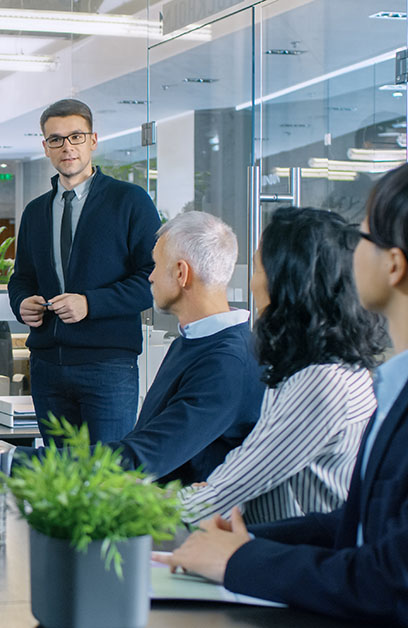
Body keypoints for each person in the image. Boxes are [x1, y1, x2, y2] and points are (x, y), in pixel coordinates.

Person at [156, 164, 408, 625]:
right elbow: (353, 522)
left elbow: (387, 575)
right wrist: (247, 541)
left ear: (393, 264)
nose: (351, 254)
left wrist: (237, 556)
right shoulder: (366, 378)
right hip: (303, 576)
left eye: (365, 239)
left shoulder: (324, 382)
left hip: (313, 596)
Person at [179, 207, 385, 525]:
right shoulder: (318, 369)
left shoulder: (320, 383)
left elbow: (225, 492)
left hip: (293, 559)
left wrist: (119, 508)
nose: (251, 283)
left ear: (288, 284)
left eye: (259, 267)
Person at [8, 98, 161, 444]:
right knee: (60, 482)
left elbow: (152, 278)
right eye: (56, 139)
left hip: (108, 367)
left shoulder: (130, 201)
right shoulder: (35, 212)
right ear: (45, 147)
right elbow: (22, 277)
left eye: (76, 136)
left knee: (109, 476)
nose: (67, 147)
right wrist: (21, 302)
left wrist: (90, 303)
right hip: (48, 366)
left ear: (93, 141)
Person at [102, 211, 263, 484]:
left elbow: (145, 458)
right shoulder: (194, 341)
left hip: (190, 521)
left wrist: (14, 460)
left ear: (181, 272)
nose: (150, 277)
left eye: (155, 265)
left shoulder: (227, 363)